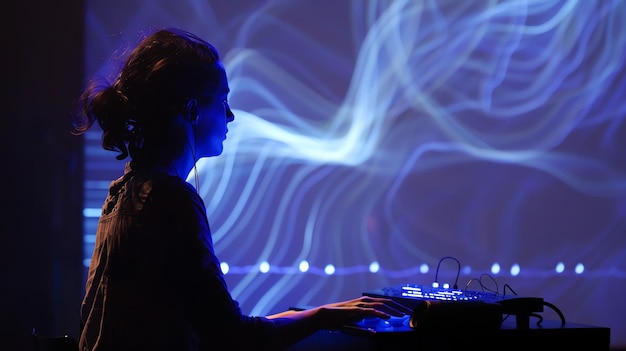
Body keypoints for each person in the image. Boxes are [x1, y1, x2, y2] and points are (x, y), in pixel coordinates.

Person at [72, 27, 411, 351]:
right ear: (192, 110)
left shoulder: (123, 191)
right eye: (222, 101)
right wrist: (323, 315)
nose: (231, 116)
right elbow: (233, 338)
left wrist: (304, 315)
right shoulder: (168, 198)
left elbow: (215, 325)